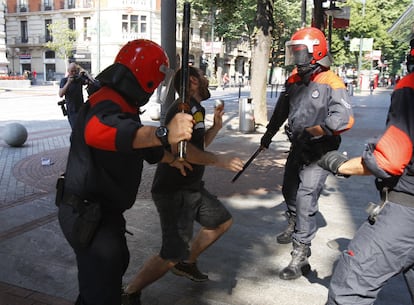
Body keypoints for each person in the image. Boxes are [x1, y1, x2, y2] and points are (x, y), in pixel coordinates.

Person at [56, 39, 194, 305]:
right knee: (103, 292)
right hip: (87, 215)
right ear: (147, 80)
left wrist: (170, 157)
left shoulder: (121, 103)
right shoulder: (108, 101)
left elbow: (139, 146)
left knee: (107, 276)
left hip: (99, 214)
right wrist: (164, 132)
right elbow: (98, 131)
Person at [122, 66, 244, 304]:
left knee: (221, 221)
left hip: (192, 187)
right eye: (203, 75)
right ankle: (129, 293)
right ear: (193, 82)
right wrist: (220, 160)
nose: (208, 78)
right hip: (174, 191)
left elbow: (197, 145)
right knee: (170, 253)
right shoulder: (181, 108)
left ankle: (187, 262)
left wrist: (216, 127)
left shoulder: (195, 109)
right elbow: (184, 151)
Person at [320, 39, 414, 305]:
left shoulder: (410, 86)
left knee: (351, 285)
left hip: (406, 213)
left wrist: (340, 165)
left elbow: (389, 160)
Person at [259, 27, 354, 280]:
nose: (295, 58)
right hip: (298, 146)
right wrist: (269, 133)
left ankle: (300, 253)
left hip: (319, 151)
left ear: (315, 53)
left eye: (299, 53)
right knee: (288, 189)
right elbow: (282, 109)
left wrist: (319, 129)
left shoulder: (331, 81)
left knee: (306, 196)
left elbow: (343, 117)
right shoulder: (294, 79)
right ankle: (294, 222)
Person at [58, 62, 92, 129]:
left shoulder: (79, 79)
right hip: (72, 110)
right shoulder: (64, 80)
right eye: (72, 71)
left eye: (75, 71)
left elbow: (91, 82)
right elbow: (60, 94)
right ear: (68, 71)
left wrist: (87, 74)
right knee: (76, 130)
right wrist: (68, 83)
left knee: (83, 128)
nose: (74, 73)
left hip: (81, 108)